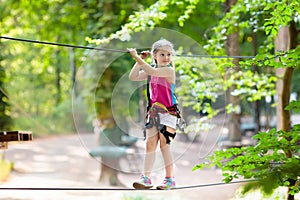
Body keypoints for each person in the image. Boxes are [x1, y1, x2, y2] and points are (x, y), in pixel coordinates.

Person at [127, 39, 178, 190]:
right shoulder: (151, 70)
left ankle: (169, 179)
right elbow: (133, 76)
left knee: (164, 145)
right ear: (155, 55)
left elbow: (153, 71)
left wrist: (136, 57)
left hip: (169, 113)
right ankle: (146, 177)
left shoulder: (169, 71)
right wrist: (140, 60)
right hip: (154, 112)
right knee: (150, 144)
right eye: (162, 54)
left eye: (169, 54)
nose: (166, 57)